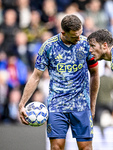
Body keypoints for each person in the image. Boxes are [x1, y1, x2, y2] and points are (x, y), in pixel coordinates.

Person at [18, 14, 100, 150]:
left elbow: (95, 74)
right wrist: (22, 104)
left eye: (80, 33)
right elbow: (35, 76)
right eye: (75, 36)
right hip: (57, 105)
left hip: (81, 105)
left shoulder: (86, 45)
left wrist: (92, 104)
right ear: (63, 33)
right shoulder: (48, 47)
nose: (79, 38)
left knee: (86, 148)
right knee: (56, 147)